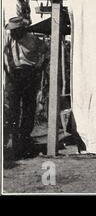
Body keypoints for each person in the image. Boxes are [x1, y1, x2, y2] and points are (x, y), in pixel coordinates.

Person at [4, 16, 47, 159]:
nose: (12, 33)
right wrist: (6, 69)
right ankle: (15, 142)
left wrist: (39, 66)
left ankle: (25, 139)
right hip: (13, 76)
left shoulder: (33, 40)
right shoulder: (8, 39)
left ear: (22, 29)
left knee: (29, 109)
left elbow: (45, 52)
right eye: (11, 30)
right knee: (12, 109)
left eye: (15, 30)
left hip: (29, 75)